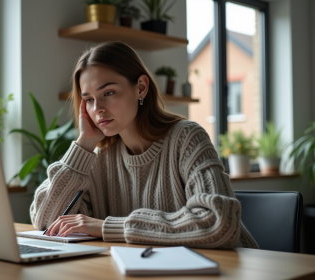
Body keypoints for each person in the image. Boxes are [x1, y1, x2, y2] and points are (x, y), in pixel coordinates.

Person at [30, 41, 258, 249]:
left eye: (108, 92)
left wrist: (106, 227)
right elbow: (44, 220)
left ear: (141, 87)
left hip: (231, 268)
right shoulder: (98, 156)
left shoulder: (186, 137)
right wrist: (84, 143)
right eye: (88, 99)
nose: (97, 108)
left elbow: (219, 223)